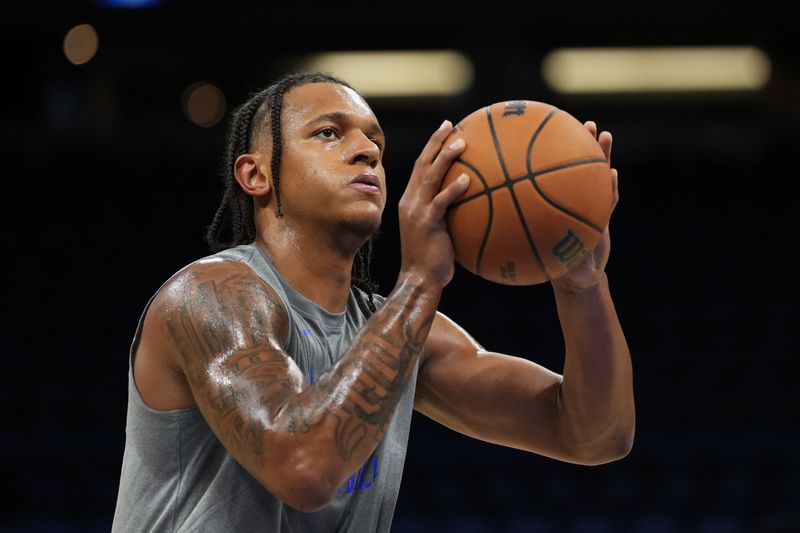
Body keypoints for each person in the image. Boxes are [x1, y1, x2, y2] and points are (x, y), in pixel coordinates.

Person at [111, 71, 635, 532]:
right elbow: (303, 468)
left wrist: (581, 286)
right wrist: (420, 282)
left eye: (376, 144)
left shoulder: (398, 329)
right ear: (256, 175)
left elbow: (594, 435)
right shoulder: (210, 298)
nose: (367, 151)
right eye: (328, 133)